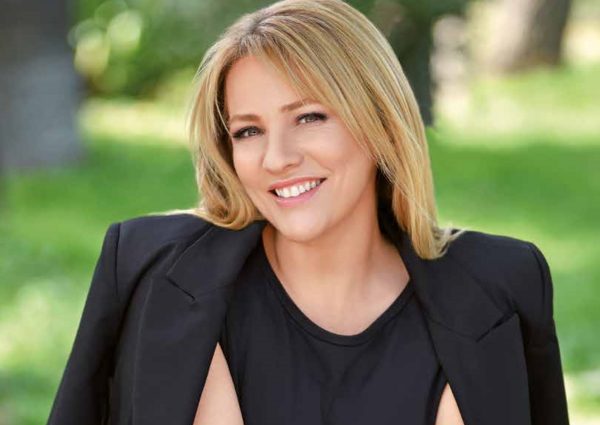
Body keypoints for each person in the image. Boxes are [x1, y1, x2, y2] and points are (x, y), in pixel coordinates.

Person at [47, 1, 570, 424]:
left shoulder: (501, 286)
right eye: (248, 131)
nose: (276, 158)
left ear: (380, 121)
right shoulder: (159, 273)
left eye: (309, 117)